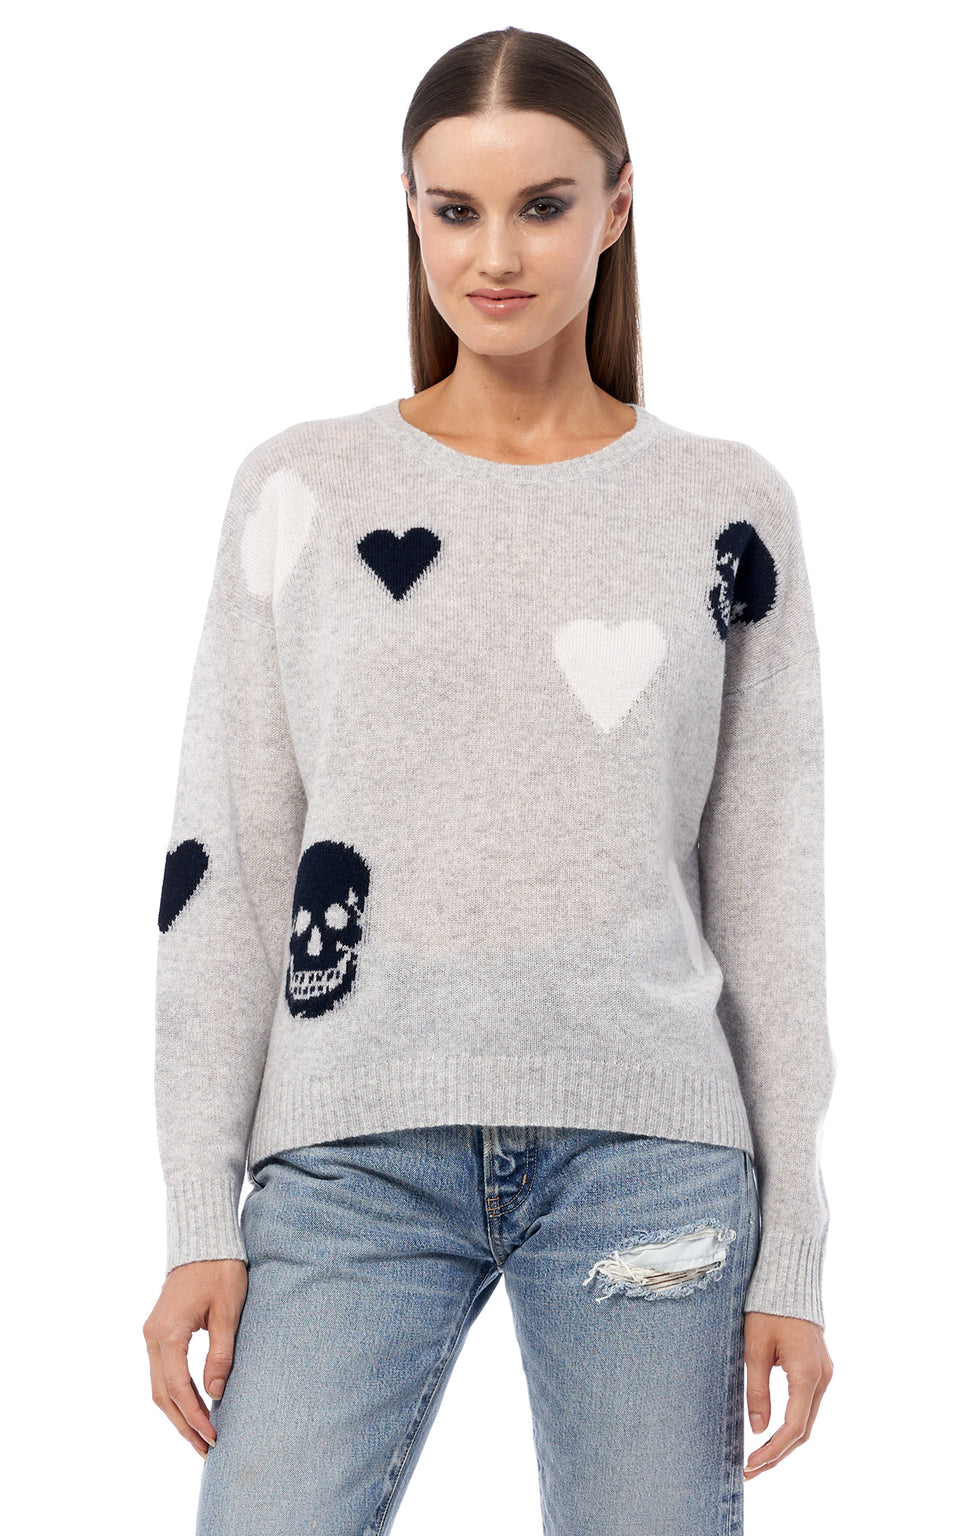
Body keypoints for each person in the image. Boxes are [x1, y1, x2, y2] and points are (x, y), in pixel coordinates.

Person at [143, 25, 835, 1535]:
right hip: (349, 1155)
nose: (497, 254)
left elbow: (771, 897)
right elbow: (228, 862)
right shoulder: (300, 490)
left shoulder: (723, 507)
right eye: (455, 209)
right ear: (408, 209)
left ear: (619, 206)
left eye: (543, 205)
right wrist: (201, 1209)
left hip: (650, 1158)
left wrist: (795, 1247)